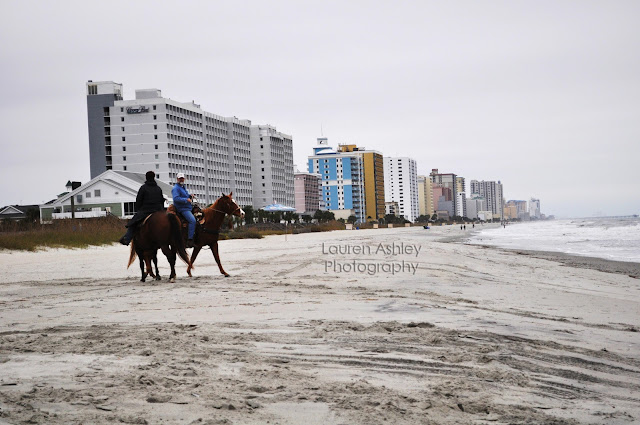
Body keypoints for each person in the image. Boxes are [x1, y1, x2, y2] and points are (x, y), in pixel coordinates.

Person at [119, 171, 165, 245]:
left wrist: (138, 210)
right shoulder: (158, 188)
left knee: (133, 223)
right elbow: (161, 200)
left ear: (146, 177)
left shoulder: (143, 188)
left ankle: (127, 239)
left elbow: (139, 200)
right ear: (154, 177)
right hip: (158, 210)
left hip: (146, 210)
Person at [172, 173, 196, 247]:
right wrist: (186, 199)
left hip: (188, 207)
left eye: (182, 178)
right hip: (182, 208)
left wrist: (190, 196)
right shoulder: (176, 188)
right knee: (192, 220)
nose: (181, 179)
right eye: (180, 178)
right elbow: (176, 199)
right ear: (177, 179)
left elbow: (184, 196)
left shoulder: (183, 187)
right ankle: (190, 240)